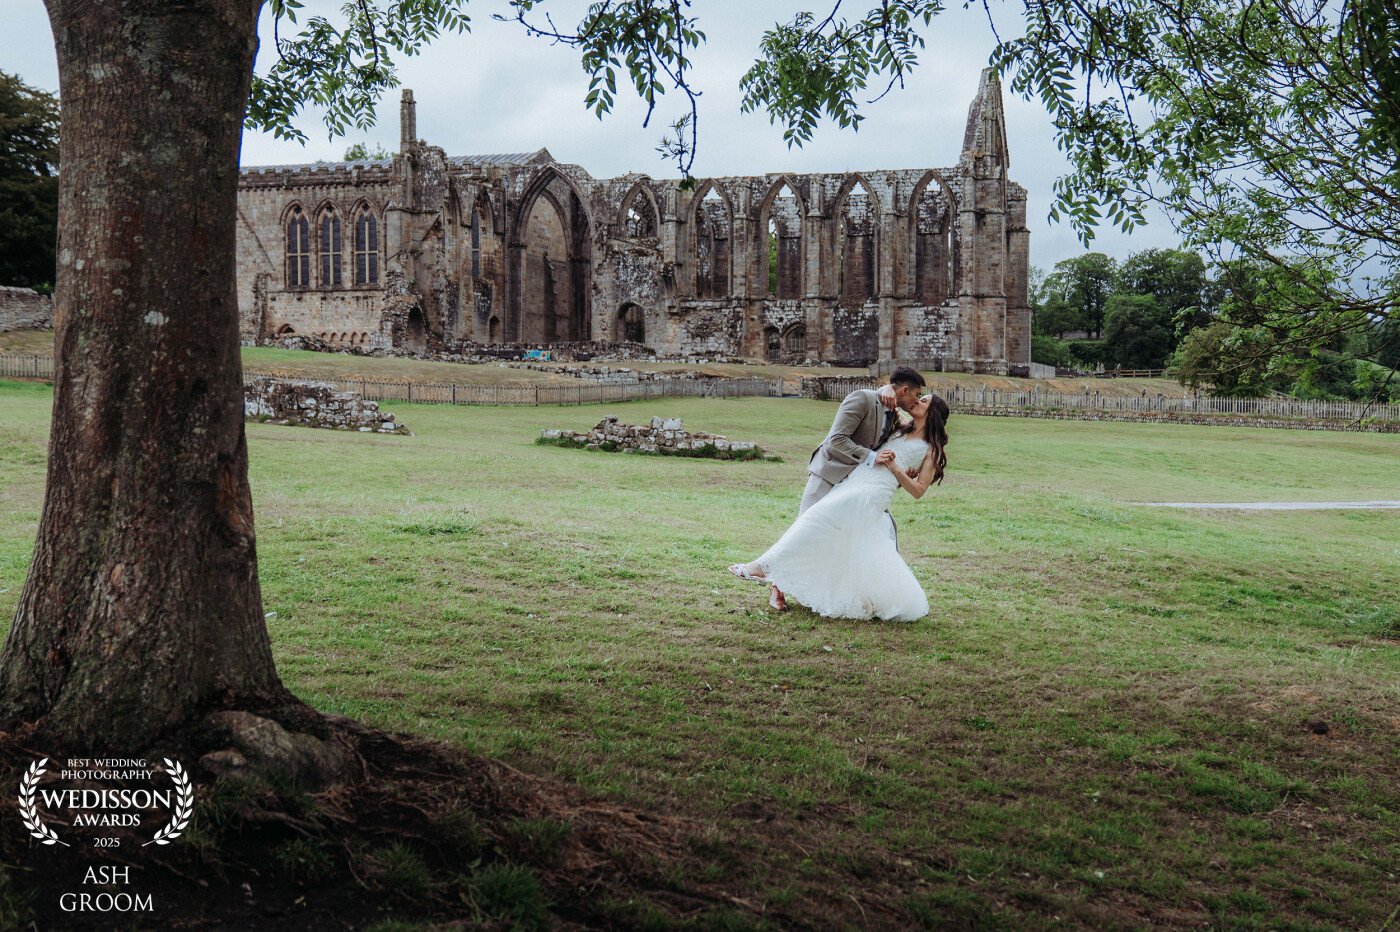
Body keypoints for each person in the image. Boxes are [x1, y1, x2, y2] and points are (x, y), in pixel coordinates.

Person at [727, 392, 950, 622]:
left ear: (933, 412)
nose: (917, 401)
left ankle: (763, 567)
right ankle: (844, 592)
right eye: (918, 396)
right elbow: (890, 395)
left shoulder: (931, 449)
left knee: (816, 518)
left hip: (872, 493)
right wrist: (887, 389)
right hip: (853, 481)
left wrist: (896, 470)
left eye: (924, 400)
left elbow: (918, 490)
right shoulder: (900, 427)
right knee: (844, 541)